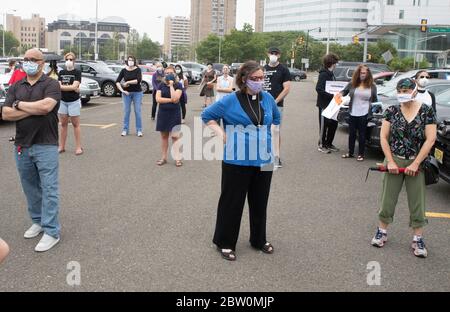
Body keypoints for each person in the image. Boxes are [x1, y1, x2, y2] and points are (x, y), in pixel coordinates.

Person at [202, 61, 281, 261]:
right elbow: (207, 115)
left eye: (262, 78)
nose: (259, 82)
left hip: (264, 159)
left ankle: (258, 239)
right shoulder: (231, 100)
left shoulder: (268, 98)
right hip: (236, 160)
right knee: (232, 202)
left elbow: (276, 122)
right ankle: (225, 242)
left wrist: (275, 150)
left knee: (260, 202)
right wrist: (222, 134)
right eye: (255, 79)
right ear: (244, 79)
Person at [1, 48, 62, 252]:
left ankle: (51, 230)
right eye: (25, 59)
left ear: (42, 63)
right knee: (30, 188)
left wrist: (19, 105)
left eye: (33, 59)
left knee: (49, 189)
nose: (28, 62)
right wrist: (31, 109)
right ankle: (38, 221)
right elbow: (6, 114)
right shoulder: (16, 85)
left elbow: (46, 107)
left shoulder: (52, 84)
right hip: (22, 144)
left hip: (46, 144)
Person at [371, 78, 437, 259]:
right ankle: (381, 231)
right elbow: (384, 137)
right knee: (387, 199)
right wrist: (390, 162)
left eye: (407, 91)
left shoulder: (426, 111)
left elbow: (430, 139)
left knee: (417, 201)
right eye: (400, 91)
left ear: (415, 91)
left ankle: (418, 238)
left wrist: (416, 163)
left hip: (417, 162)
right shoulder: (391, 111)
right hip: (394, 160)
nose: (403, 94)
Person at [341, 65, 378, 162]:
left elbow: (375, 100)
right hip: (353, 112)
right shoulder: (353, 83)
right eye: (361, 73)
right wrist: (338, 95)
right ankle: (350, 152)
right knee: (352, 133)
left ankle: (361, 154)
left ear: (368, 74)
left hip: (365, 113)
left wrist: (374, 109)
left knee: (362, 134)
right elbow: (344, 92)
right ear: (358, 73)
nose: (362, 75)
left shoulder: (372, 86)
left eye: (364, 73)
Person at [264, 47, 291, 168]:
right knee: (263, 130)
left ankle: (276, 158)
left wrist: (274, 101)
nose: (274, 55)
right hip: (261, 105)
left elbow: (287, 88)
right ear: (268, 54)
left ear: (279, 55)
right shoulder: (262, 69)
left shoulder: (283, 70)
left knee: (275, 130)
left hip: (276, 105)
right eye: (272, 53)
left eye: (276, 53)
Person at [155, 66, 183, 167]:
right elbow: (158, 99)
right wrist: (170, 100)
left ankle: (177, 159)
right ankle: (163, 158)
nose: (169, 75)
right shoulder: (161, 85)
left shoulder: (178, 85)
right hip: (163, 113)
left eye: (171, 73)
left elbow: (176, 99)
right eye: (167, 73)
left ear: (175, 74)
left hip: (174, 113)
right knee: (164, 136)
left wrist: (171, 86)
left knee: (175, 137)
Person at [58, 52, 83, 155]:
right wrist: (72, 87)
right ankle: (61, 146)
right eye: (67, 59)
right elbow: (59, 86)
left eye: (71, 59)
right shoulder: (61, 72)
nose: (69, 61)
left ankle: (78, 147)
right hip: (63, 101)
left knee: (75, 124)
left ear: (74, 61)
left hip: (73, 102)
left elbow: (74, 86)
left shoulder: (77, 72)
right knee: (63, 124)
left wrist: (71, 87)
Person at [316, 53, 340, 154]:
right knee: (324, 125)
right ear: (332, 63)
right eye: (336, 63)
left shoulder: (331, 74)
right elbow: (318, 89)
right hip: (324, 105)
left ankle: (329, 143)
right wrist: (331, 95)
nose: (336, 65)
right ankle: (322, 144)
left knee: (333, 124)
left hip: (333, 104)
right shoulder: (323, 74)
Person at [116, 55, 143, 137]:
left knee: (137, 111)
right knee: (126, 112)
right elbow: (117, 82)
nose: (130, 61)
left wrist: (127, 82)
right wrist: (122, 90)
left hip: (137, 93)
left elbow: (138, 80)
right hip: (126, 94)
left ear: (134, 61)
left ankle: (139, 130)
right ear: (127, 61)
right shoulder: (124, 70)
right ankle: (125, 129)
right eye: (129, 60)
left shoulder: (138, 70)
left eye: (132, 60)